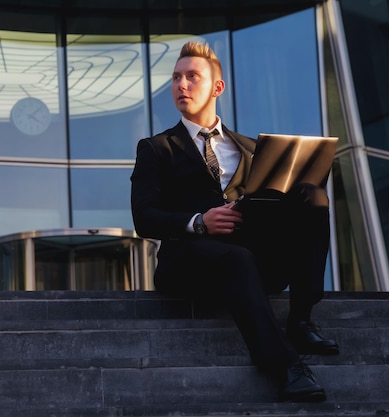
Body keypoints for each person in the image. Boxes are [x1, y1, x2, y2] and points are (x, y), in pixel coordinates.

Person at [130, 41, 339, 403]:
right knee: (235, 259)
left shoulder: (252, 148)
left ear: (217, 87)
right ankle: (286, 367)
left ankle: (301, 320)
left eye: (192, 77)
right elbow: (144, 218)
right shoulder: (156, 148)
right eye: (176, 78)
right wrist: (199, 222)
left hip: (252, 256)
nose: (181, 85)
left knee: (313, 194)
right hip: (188, 261)